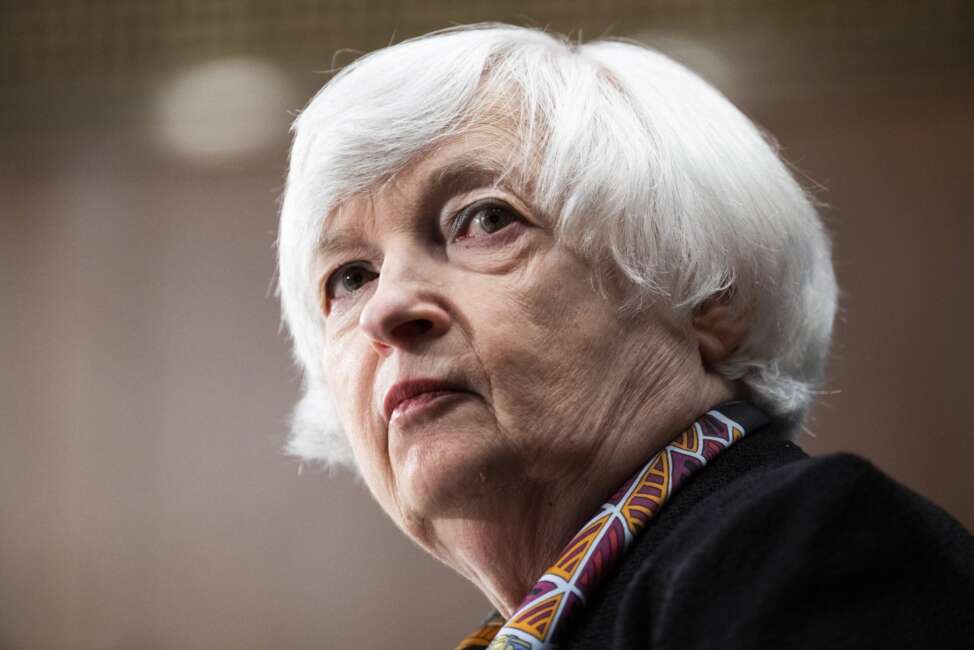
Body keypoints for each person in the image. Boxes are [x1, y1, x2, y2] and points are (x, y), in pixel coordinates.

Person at [276, 24, 974, 649]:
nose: (385, 309)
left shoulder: (803, 546)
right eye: (350, 277)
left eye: (485, 220)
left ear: (706, 292)